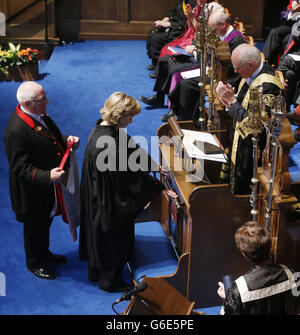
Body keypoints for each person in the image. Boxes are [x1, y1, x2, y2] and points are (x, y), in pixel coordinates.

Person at [79, 92, 174, 292]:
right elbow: (128, 178)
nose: (131, 120)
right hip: (109, 200)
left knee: (101, 239)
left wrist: (153, 165)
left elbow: (131, 151)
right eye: (130, 116)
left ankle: (97, 271)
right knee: (113, 239)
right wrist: (157, 188)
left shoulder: (105, 128)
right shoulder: (109, 145)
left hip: (99, 194)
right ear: (120, 115)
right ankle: (110, 282)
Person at [3, 81, 80, 280]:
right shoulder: (16, 131)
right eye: (42, 99)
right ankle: (34, 263)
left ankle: (44, 253)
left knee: (45, 222)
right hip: (30, 193)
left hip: (44, 190)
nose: (48, 100)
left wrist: (66, 140)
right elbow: (19, 167)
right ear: (29, 103)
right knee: (33, 228)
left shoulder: (38, 114)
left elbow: (50, 136)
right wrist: (48, 176)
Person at [216, 43, 282, 195]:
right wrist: (228, 99)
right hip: (239, 143)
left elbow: (255, 127)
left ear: (251, 64)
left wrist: (232, 102)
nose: (235, 71)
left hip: (254, 153)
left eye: (238, 67)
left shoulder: (268, 86)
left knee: (241, 194)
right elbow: (241, 107)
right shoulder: (249, 75)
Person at [140, 1, 223, 109]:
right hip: (198, 57)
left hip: (205, 66)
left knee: (175, 69)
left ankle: (174, 108)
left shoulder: (222, 35)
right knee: (166, 60)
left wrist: (194, 51)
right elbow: (199, 36)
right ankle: (159, 98)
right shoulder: (211, 26)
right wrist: (194, 45)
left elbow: (212, 57)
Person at [167, 10, 245, 121]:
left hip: (226, 77)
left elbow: (233, 68)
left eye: (212, 27)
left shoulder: (237, 41)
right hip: (214, 69)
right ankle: (179, 113)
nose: (210, 31)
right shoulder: (220, 33)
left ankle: (187, 120)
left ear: (223, 24)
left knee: (187, 85)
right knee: (181, 77)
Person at [217, 221, 298, 315]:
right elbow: (297, 307)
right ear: (269, 246)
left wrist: (227, 299)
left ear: (245, 255)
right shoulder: (291, 272)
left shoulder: (238, 289)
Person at [146, 0, 197, 74]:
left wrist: (169, 24)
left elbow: (185, 23)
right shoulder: (182, 1)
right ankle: (156, 64)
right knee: (154, 33)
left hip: (181, 30)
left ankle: (160, 68)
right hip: (175, 26)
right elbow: (172, 12)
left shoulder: (193, 3)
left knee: (157, 38)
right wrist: (166, 19)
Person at [262, 0, 300, 66]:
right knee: (275, 32)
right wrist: (292, 12)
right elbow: (283, 15)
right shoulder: (295, 1)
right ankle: (264, 60)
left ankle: (281, 64)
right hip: (292, 25)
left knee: (287, 40)